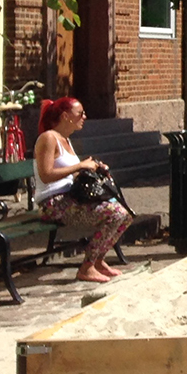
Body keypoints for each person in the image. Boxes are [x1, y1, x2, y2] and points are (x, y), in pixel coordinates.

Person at [33, 97, 132, 284]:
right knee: (115, 214)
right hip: (52, 204)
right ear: (65, 116)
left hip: (69, 198)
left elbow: (73, 174)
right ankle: (87, 267)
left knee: (125, 215)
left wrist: (93, 168)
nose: (84, 117)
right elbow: (46, 175)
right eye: (80, 113)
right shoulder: (48, 138)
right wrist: (79, 166)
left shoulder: (66, 140)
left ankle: (98, 261)